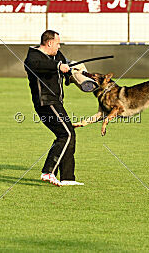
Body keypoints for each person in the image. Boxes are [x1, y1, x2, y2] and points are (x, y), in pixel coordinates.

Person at [24, 30, 84, 187]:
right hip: (45, 103)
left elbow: (65, 71)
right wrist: (58, 66)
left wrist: (76, 74)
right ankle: (48, 172)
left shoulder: (58, 55)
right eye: (57, 43)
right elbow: (39, 66)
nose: (59, 46)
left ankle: (67, 177)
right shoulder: (33, 57)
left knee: (67, 134)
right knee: (66, 134)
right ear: (49, 43)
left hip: (56, 102)